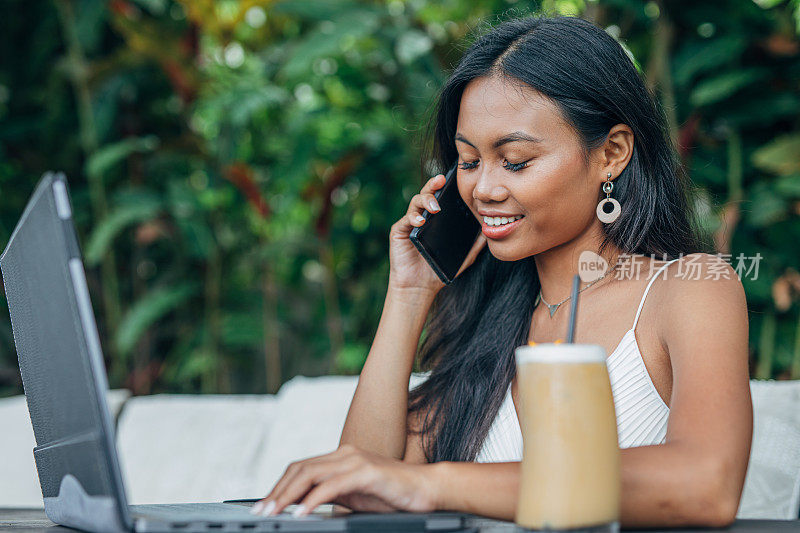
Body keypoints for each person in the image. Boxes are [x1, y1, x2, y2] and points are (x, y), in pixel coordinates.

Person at [251, 14, 752, 528]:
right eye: (468, 161)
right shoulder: (488, 322)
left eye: (514, 161)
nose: (483, 189)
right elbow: (357, 494)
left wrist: (435, 485)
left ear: (611, 153)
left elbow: (705, 483)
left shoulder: (689, 289)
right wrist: (409, 291)